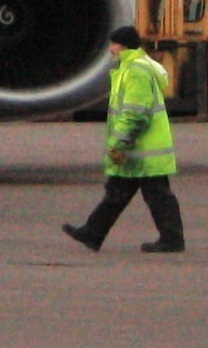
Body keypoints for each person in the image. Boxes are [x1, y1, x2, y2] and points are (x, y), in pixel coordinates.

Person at [63, 24, 186, 254]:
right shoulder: (130, 67)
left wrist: (116, 142)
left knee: (154, 196)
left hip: (142, 151)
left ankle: (172, 240)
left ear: (123, 45)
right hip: (137, 150)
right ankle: (93, 233)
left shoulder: (135, 71)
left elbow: (135, 112)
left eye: (113, 44)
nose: (110, 49)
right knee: (119, 194)